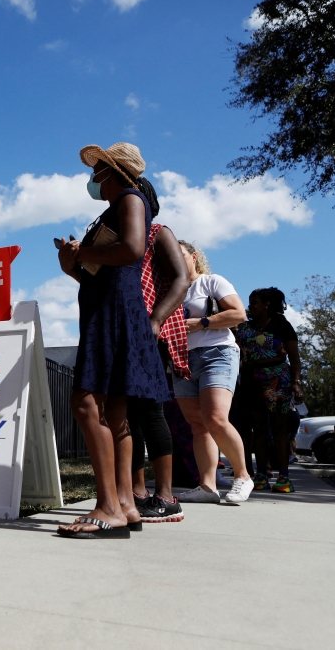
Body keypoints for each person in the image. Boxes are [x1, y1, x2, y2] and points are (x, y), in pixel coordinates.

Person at [56, 142, 171, 539]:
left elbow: (133, 249)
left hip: (114, 315)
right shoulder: (113, 209)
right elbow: (100, 272)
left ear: (114, 172)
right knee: (115, 415)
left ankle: (107, 506)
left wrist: (83, 249)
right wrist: (73, 263)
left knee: (86, 404)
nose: (93, 177)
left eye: (98, 169)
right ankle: (125, 505)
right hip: (111, 307)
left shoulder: (130, 199)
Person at [127, 177, 191, 523]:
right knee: (128, 416)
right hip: (123, 334)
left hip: (150, 335)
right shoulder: (122, 238)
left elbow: (181, 279)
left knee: (151, 413)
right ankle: (137, 491)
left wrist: (155, 321)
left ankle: (166, 496)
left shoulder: (157, 233)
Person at [174, 242, 254, 504]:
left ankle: (242, 476)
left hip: (217, 353)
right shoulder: (169, 290)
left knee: (215, 418)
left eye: (179, 253)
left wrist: (202, 323)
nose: (173, 258)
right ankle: (207, 486)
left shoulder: (210, 282)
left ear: (193, 257)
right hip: (181, 360)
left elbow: (239, 314)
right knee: (198, 425)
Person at [237, 287, 303, 493]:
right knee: (258, 430)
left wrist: (296, 382)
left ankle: (284, 478)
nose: (251, 306)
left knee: (279, 430)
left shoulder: (281, 325)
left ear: (267, 304)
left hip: (277, 383)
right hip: (250, 383)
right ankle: (261, 476)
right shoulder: (245, 328)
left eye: (254, 302)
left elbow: (293, 356)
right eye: (250, 302)